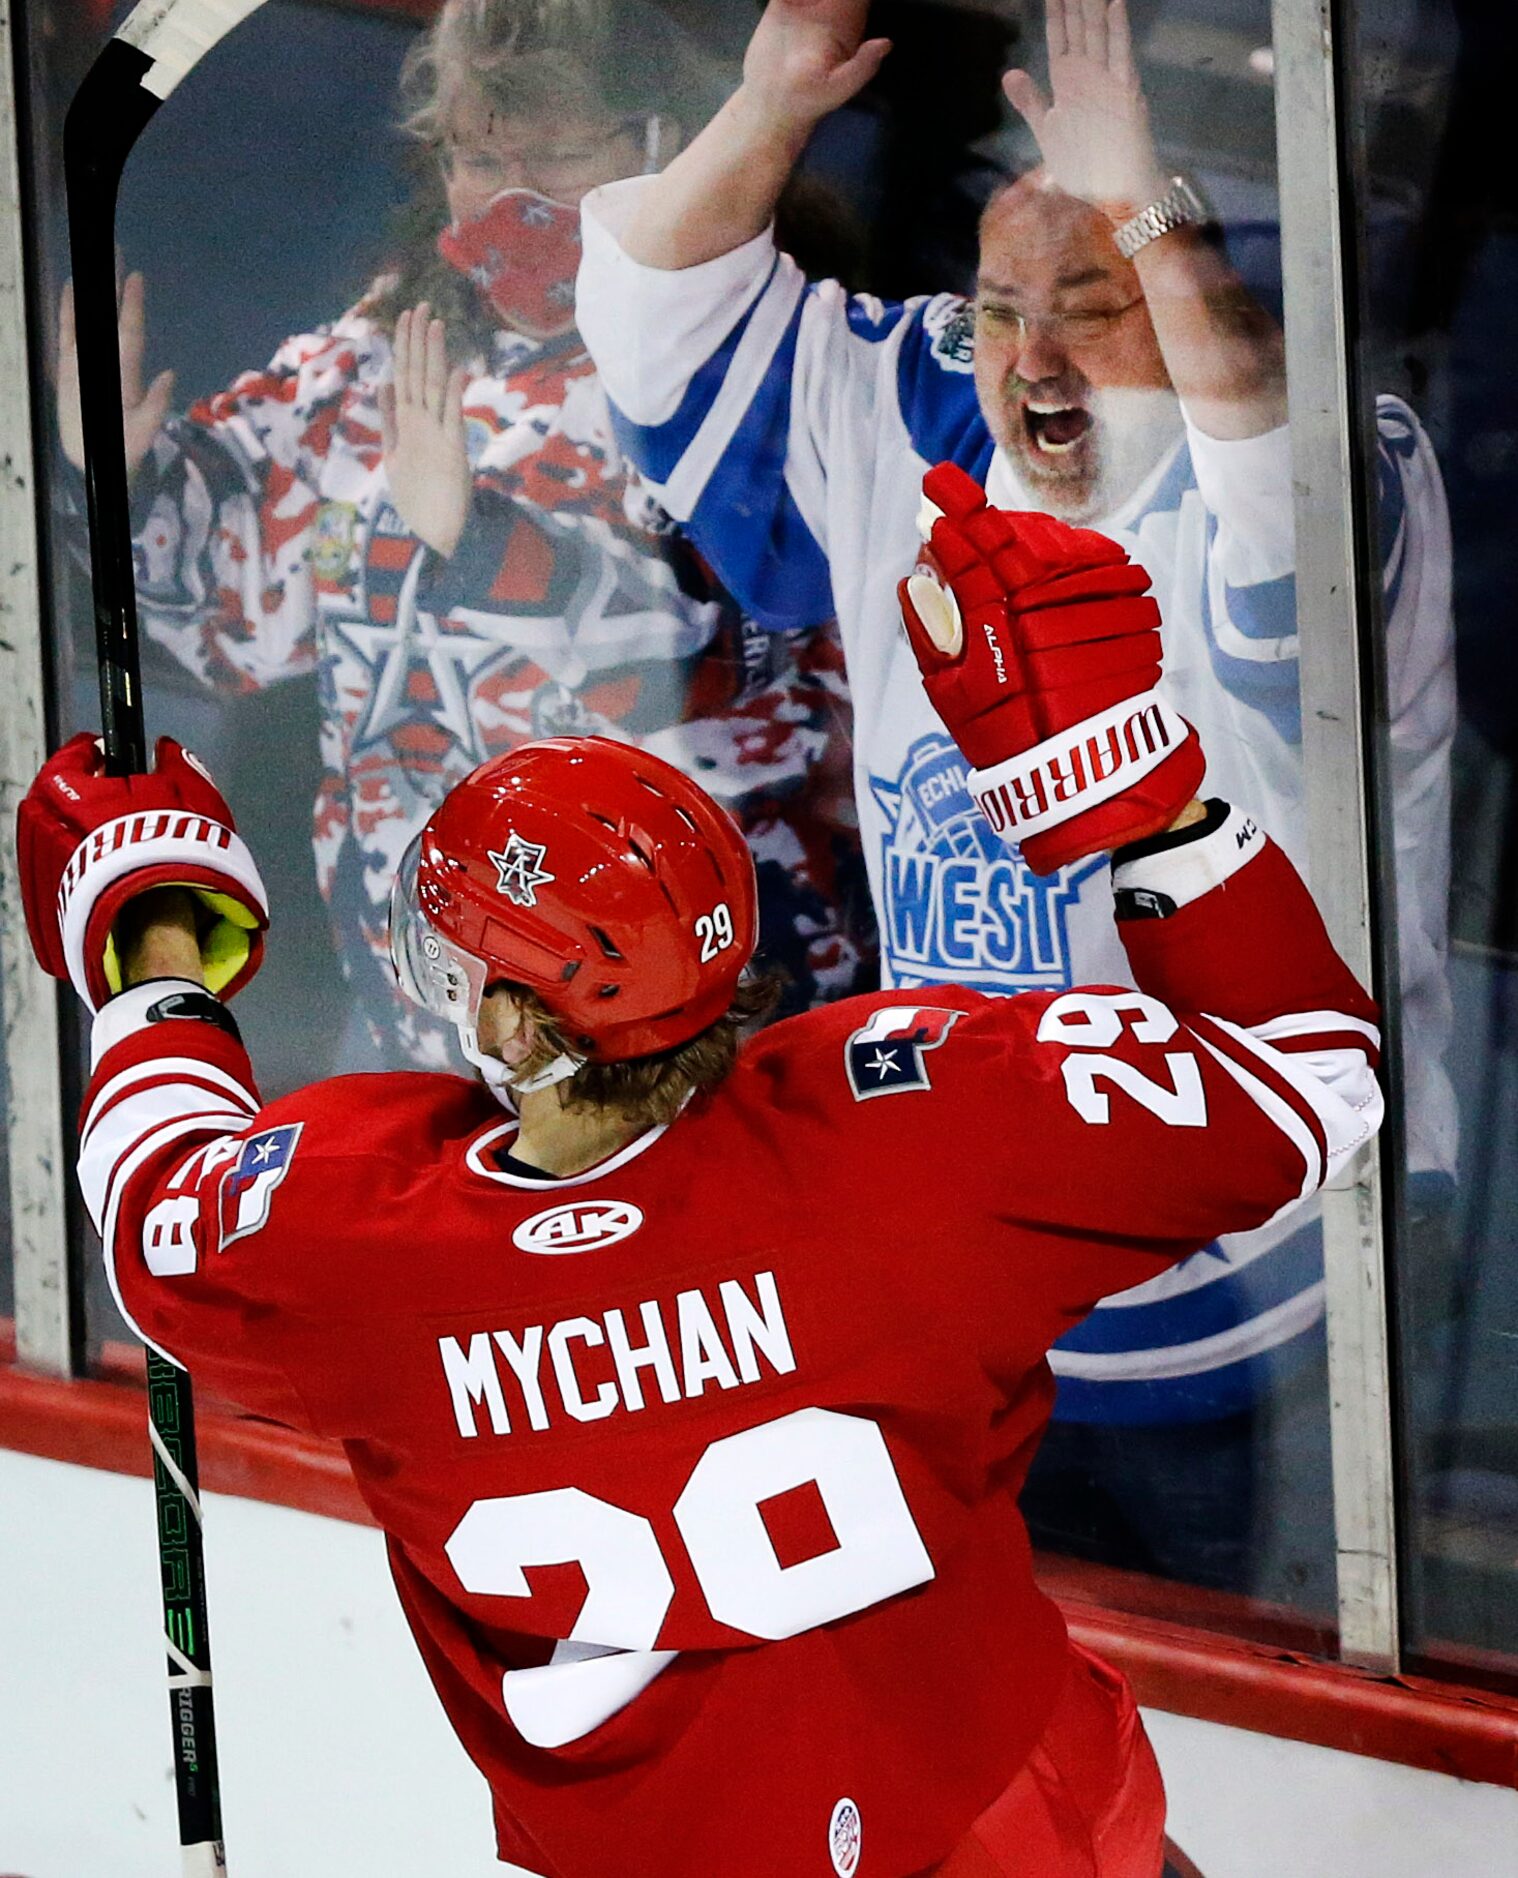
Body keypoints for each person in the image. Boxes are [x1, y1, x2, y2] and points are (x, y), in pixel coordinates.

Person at [21, 474, 1383, 1876]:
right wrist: (1141, 789)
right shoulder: (924, 1122)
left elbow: (153, 1197)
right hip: (1017, 1817)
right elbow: (1314, 1080)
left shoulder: (359, 1246)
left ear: (509, 1024)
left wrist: (150, 942)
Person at [573, 0, 1455, 1595]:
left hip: (1276, 1286)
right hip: (981, 1273)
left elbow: (1256, 408)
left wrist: (1149, 204)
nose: (1031, 357)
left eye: (1089, 301)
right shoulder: (924, 404)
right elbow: (653, 301)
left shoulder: (1330, 458)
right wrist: (774, 99)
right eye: (996, 308)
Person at [54, 0, 869, 1071]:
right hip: (427, 1018)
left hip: (698, 1021)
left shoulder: (751, 349)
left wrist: (486, 545)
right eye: (480, 158)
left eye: (560, 155)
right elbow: (229, 618)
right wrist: (118, 472)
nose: (516, 198)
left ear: (664, 142)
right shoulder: (378, 352)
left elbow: (737, 651)